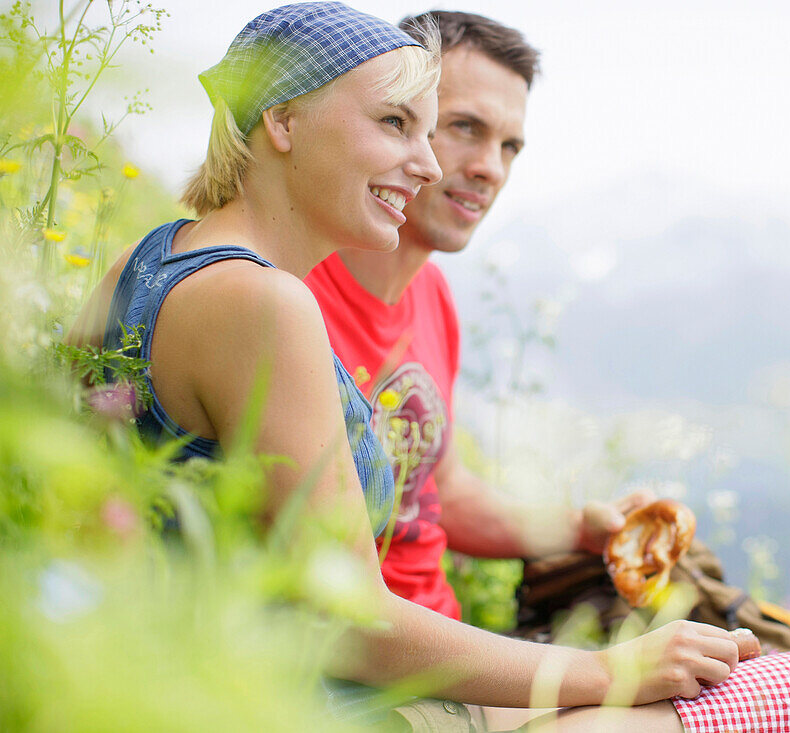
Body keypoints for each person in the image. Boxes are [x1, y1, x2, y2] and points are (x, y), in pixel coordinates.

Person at [67, 3, 754, 731]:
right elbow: (352, 618)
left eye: (431, 131)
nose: (428, 164)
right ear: (283, 120)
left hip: (188, 683)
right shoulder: (267, 303)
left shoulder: (147, 257)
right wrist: (608, 671)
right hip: (288, 701)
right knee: (783, 688)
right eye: (397, 124)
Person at [305, 9, 654, 627]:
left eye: (509, 146)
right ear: (397, 121)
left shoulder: (431, 293)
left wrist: (579, 529)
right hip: (380, 668)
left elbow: (442, 493)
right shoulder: (289, 290)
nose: (491, 167)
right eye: (465, 127)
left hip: (446, 641)